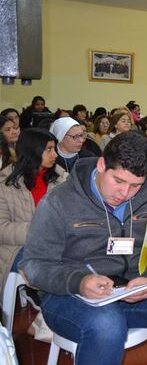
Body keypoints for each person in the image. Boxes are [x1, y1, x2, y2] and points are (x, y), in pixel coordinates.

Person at [20, 132, 147, 364]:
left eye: (135, 185)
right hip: (69, 294)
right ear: (101, 164)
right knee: (107, 326)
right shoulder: (59, 202)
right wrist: (80, 281)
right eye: (118, 181)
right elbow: (34, 266)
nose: (124, 193)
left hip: (130, 286)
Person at [0, 129, 67, 337]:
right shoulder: (6, 184)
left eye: (54, 148)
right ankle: (52, 321)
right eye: (48, 149)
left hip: (57, 243)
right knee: (49, 262)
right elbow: (2, 228)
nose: (55, 154)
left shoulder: (61, 178)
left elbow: (73, 214)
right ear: (32, 151)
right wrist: (36, 231)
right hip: (17, 248)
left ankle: (47, 321)